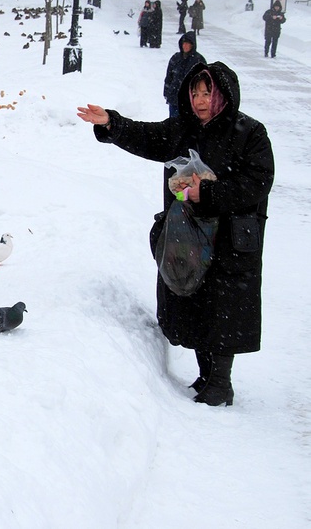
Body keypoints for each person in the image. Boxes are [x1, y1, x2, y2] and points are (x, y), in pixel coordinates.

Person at [76, 62, 274, 408]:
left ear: (223, 95)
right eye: (194, 93)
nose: (199, 100)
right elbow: (146, 136)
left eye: (206, 93)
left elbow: (257, 182)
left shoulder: (250, 134)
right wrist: (112, 123)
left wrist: (208, 194)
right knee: (194, 299)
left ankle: (221, 383)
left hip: (229, 240)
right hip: (189, 236)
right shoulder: (183, 129)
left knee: (223, 307)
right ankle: (206, 374)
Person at [163, 31, 205, 117]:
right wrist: (167, 92)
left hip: (189, 100)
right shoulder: (175, 58)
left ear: (192, 45)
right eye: (183, 44)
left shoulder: (198, 60)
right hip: (174, 97)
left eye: (187, 44)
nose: (185, 46)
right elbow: (169, 77)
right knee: (173, 123)